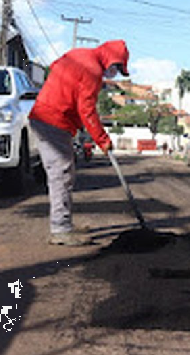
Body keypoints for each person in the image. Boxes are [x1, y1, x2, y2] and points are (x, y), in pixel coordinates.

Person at [29, 40, 130, 246]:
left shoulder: (78, 54)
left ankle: (65, 224)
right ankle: (60, 229)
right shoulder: (92, 70)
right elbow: (87, 111)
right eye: (117, 67)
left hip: (46, 117)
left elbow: (55, 67)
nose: (114, 73)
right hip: (53, 121)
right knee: (61, 174)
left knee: (63, 173)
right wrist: (103, 140)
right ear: (111, 59)